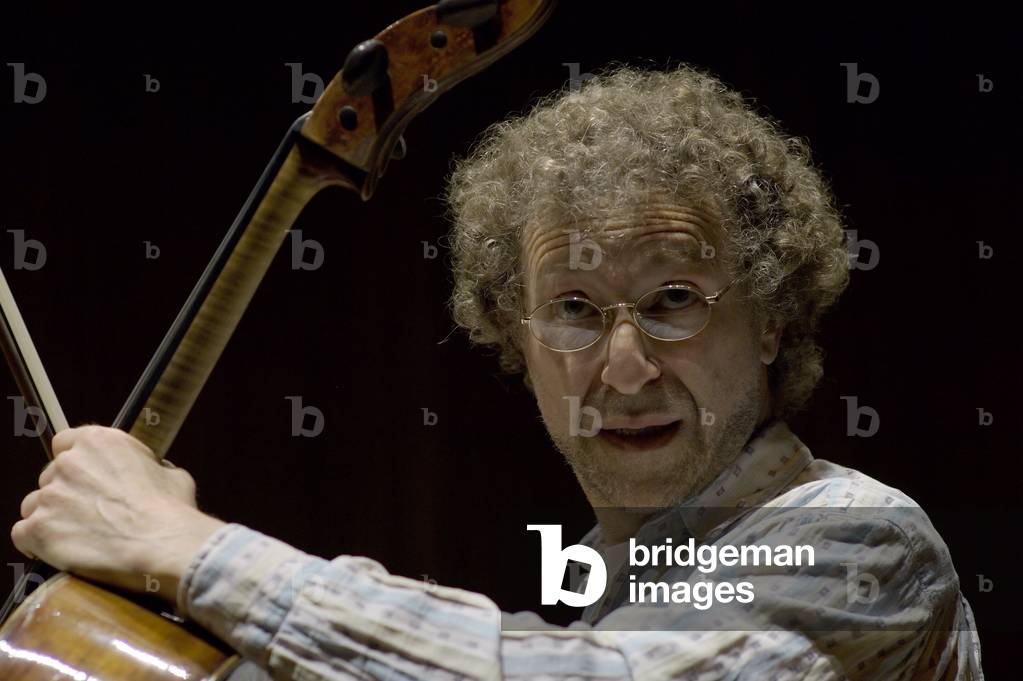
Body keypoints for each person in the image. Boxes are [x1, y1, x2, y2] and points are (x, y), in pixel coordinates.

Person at [10, 63, 984, 680]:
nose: (626, 364)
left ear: (768, 318)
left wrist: (187, 548)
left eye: (675, 299)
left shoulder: (862, 541)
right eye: (573, 311)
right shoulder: (617, 588)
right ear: (515, 341)